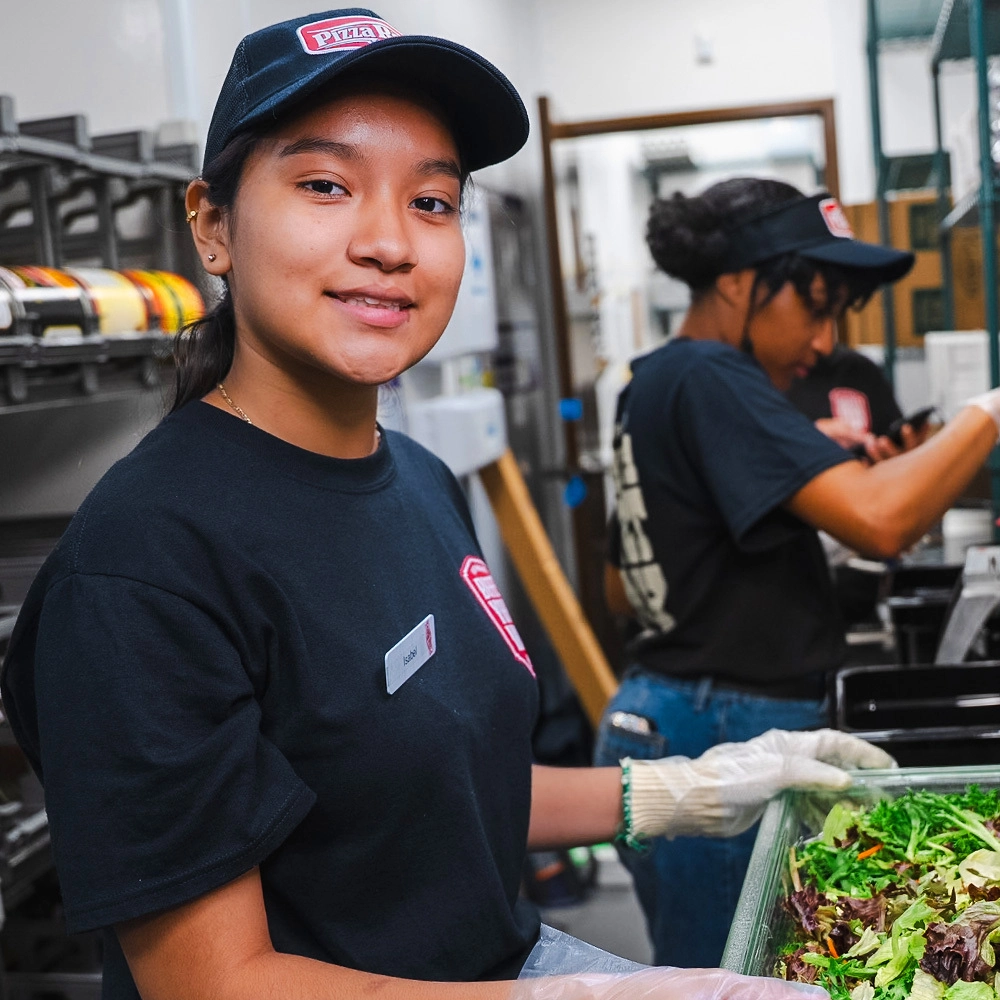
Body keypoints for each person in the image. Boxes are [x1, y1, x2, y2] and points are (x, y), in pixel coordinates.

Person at [0, 15, 891, 1000]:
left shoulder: (419, 478)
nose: (387, 242)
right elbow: (216, 984)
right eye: (325, 185)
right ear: (211, 224)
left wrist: (692, 787)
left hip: (503, 965)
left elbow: (447, 791)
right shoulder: (144, 566)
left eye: (431, 200)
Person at [595, 177, 1000, 969]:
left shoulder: (657, 378)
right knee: (731, 979)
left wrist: (788, 498)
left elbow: (621, 580)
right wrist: (990, 409)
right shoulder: (711, 374)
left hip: (684, 705)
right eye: (813, 307)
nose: (823, 343)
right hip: (714, 719)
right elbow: (883, 521)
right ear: (740, 282)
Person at [787, 341, 905, 450]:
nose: (821, 345)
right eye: (811, 323)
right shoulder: (775, 378)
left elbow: (894, 432)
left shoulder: (861, 369)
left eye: (825, 322)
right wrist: (811, 435)